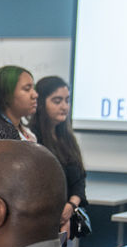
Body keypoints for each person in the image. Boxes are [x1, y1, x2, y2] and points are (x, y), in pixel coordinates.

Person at [29, 77, 87, 238]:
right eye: (57, 101)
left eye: (67, 101)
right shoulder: (32, 137)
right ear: (40, 103)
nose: (64, 106)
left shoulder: (67, 137)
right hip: (44, 222)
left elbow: (79, 180)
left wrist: (70, 206)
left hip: (68, 217)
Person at [0, 65, 38, 142]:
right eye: (27, 89)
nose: (35, 95)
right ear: (6, 94)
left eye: (34, 88)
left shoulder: (24, 130)